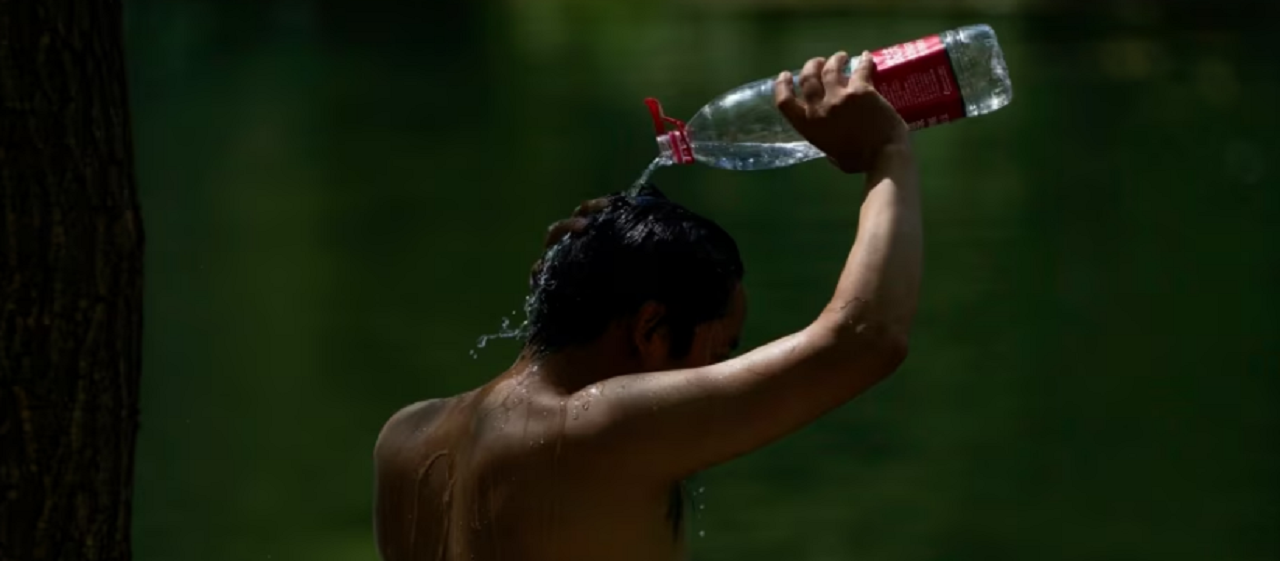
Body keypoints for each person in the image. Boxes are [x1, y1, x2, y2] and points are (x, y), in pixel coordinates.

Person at [374, 51, 922, 561]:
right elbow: (865, 337)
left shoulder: (406, 438)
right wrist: (887, 153)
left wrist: (588, 264)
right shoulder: (595, 429)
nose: (720, 373)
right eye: (720, 348)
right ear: (652, 327)